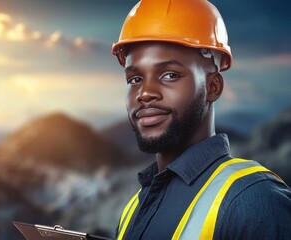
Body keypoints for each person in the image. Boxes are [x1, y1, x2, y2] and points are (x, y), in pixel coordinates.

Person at [111, 0, 291, 239]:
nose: (145, 93)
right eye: (134, 79)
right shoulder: (133, 208)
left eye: (170, 75)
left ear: (213, 86)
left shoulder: (254, 199)